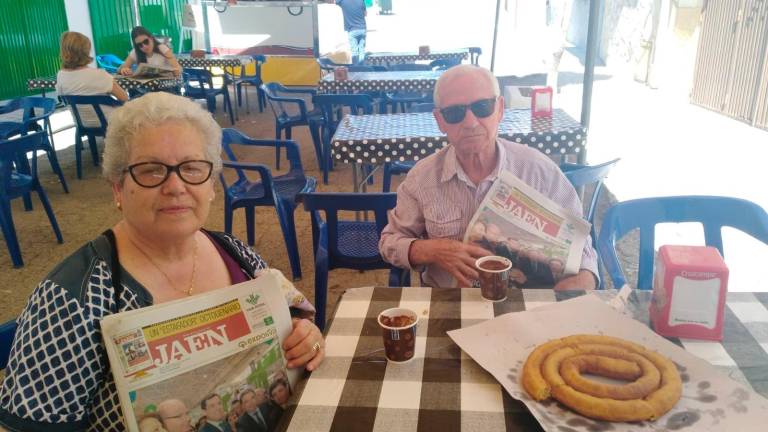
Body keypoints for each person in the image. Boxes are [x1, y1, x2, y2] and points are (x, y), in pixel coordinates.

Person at [0, 93, 325, 431]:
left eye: (192, 168)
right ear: (117, 188)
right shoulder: (71, 298)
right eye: (151, 171)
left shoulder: (236, 253)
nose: (175, 186)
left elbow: (298, 323)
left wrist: (305, 337)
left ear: (211, 185)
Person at [378, 65, 599, 290]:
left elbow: (582, 249)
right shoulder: (421, 178)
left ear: (500, 109)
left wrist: (579, 281)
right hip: (449, 304)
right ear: (440, 120)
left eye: (482, 107)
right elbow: (389, 242)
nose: (470, 122)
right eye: (455, 113)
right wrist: (431, 250)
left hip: (525, 307)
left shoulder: (540, 171)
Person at [55, 31, 129, 126]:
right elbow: (125, 98)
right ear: (85, 52)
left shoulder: (61, 76)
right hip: (111, 124)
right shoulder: (100, 75)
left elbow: (60, 95)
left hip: (82, 123)